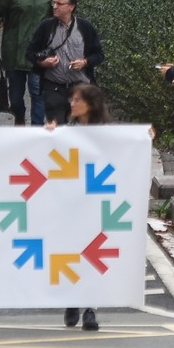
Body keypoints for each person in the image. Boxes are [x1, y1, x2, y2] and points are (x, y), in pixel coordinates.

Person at [59, 84, 112, 331]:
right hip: (70, 203)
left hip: (95, 203)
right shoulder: (66, 130)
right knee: (71, 253)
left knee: (92, 256)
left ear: (90, 104)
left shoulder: (106, 133)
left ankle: (90, 309)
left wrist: (145, 137)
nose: (72, 103)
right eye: (72, 99)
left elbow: (122, 153)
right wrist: (49, 136)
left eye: (77, 100)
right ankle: (72, 300)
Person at [0, 0, 55, 125]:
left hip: (39, 56)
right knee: (16, 99)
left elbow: (59, 20)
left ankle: (36, 132)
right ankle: (19, 118)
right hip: (14, 53)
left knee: (38, 94)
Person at [24, 0, 102, 125]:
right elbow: (30, 53)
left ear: (71, 6)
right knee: (57, 130)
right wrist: (42, 62)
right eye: (53, 3)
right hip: (54, 88)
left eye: (59, 4)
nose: (55, 7)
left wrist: (85, 62)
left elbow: (99, 55)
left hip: (81, 88)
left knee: (85, 130)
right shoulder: (46, 27)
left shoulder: (85, 27)